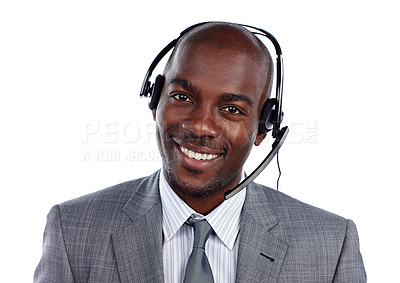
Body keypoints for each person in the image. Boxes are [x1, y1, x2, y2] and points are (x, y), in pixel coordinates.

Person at [34, 22, 366, 282]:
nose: (201, 126)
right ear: (156, 100)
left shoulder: (331, 245)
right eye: (182, 97)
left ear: (264, 127)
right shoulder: (72, 230)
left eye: (232, 109)